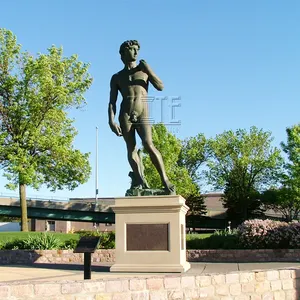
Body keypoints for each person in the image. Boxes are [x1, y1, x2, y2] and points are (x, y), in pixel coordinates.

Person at [108, 40, 175, 194]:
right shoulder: (117, 77)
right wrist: (111, 121)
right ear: (123, 53)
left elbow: (160, 86)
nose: (136, 52)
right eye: (132, 49)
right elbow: (112, 101)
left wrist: (149, 70)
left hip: (143, 113)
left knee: (148, 144)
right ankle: (138, 180)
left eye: (137, 49)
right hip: (125, 115)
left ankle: (165, 180)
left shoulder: (143, 71)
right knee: (131, 148)